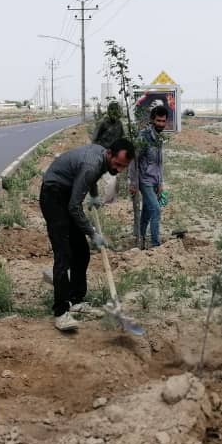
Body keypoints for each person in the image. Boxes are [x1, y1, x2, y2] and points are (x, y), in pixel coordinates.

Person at [40, 138, 136, 332]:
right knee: (64, 254)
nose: (119, 170)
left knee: (81, 251)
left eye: (123, 167)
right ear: (109, 153)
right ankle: (60, 313)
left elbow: (91, 178)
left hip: (67, 193)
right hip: (53, 195)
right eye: (117, 165)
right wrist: (92, 233)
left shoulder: (101, 156)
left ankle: (75, 300)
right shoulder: (92, 165)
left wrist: (93, 194)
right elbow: (74, 207)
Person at [129, 104, 167, 248]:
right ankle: (155, 244)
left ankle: (141, 240)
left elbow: (160, 162)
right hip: (144, 181)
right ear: (152, 120)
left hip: (155, 181)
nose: (161, 124)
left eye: (163, 121)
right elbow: (134, 160)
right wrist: (133, 183)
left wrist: (161, 182)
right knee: (156, 209)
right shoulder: (144, 137)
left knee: (146, 212)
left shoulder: (160, 138)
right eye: (158, 121)